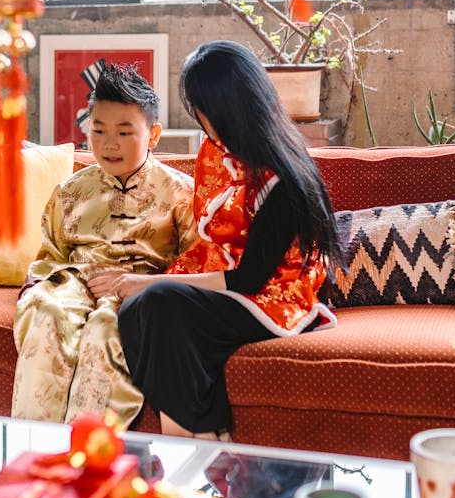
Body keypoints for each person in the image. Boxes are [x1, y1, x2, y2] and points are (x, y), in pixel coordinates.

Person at [90, 40, 341, 439]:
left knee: (155, 302)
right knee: (134, 314)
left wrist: (152, 281)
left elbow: (248, 281)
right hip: (223, 275)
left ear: (225, 108)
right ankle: (200, 435)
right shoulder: (217, 150)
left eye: (199, 107)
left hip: (273, 295)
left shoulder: (281, 180)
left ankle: (195, 439)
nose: (198, 118)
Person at [11, 62, 196, 426]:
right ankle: (36, 448)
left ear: (153, 134)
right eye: (98, 130)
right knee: (47, 312)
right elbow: (50, 258)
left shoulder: (181, 193)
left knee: (107, 328)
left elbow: (197, 266)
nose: (109, 143)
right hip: (75, 284)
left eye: (125, 132)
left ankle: (89, 455)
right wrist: (70, 286)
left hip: (141, 293)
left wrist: (131, 286)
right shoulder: (70, 191)